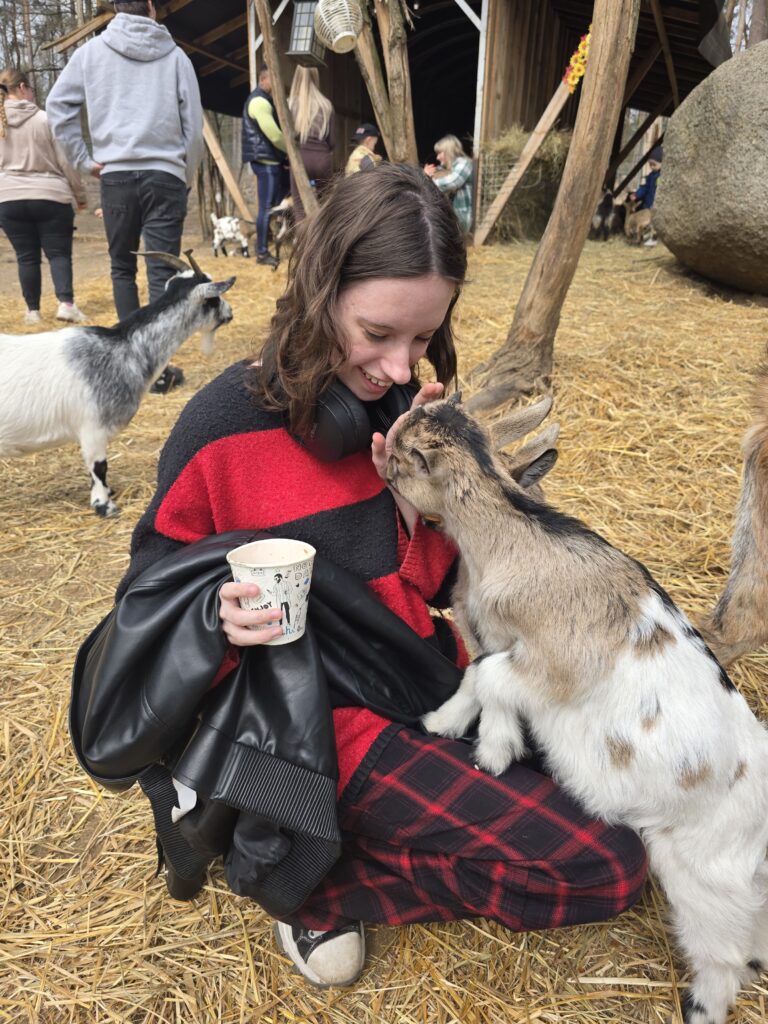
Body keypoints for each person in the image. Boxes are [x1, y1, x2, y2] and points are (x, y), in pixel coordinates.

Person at [89, 164, 647, 990]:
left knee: (630, 789)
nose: (398, 366)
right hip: (307, 726)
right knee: (607, 866)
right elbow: (146, 597)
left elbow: (435, 591)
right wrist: (216, 614)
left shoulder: (403, 418)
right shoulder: (217, 428)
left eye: (422, 338)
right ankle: (308, 884)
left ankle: (335, 847)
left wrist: (433, 510)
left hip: (419, 680)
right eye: (378, 332)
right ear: (321, 293)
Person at [45, 0, 204, 394]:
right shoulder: (176, 57)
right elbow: (194, 127)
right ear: (151, 7)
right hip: (165, 174)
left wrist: (84, 159)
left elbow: (57, 106)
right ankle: (158, 369)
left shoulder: (90, 54)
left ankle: (129, 366)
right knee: (162, 272)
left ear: (116, 7)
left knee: (122, 268)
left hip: (115, 175)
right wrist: (185, 174)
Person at [0, 68, 87, 325]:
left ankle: (32, 312)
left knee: (26, 256)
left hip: (9, 198)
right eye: (31, 89)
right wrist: (80, 194)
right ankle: (66, 304)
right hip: (51, 195)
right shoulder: (45, 119)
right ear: (22, 88)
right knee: (58, 254)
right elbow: (66, 162)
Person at [243, 64, 288, 267]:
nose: (276, 82)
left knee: (271, 205)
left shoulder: (262, 100)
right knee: (266, 207)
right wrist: (290, 150)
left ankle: (265, 246)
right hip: (267, 161)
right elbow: (274, 135)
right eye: (272, 78)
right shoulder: (259, 102)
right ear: (263, 80)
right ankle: (261, 253)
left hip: (267, 160)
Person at [287, 66, 335, 222]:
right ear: (316, 77)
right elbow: (332, 141)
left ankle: (304, 236)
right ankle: (325, 236)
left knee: (299, 208)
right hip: (322, 159)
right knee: (326, 206)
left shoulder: (290, 104)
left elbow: (286, 137)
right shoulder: (326, 105)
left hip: (300, 159)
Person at [424, 134, 473, 234]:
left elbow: (452, 182)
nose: (437, 157)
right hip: (453, 216)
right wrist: (424, 174)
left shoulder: (465, 163)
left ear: (448, 151)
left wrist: (426, 181)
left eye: (439, 153)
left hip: (463, 217)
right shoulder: (448, 168)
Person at [629, 144, 662, 248]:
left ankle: (654, 239)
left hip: (656, 204)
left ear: (662, 163)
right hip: (648, 203)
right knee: (648, 222)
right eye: (650, 164)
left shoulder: (661, 177)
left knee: (654, 222)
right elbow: (645, 187)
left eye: (654, 164)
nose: (651, 167)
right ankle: (646, 237)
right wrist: (637, 194)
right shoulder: (651, 176)